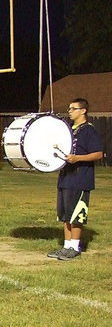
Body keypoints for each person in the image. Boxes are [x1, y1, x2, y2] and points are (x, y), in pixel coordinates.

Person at [47, 98, 104, 261]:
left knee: (76, 214)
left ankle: (75, 247)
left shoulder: (88, 130)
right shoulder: (70, 130)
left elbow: (98, 154)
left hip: (80, 178)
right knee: (65, 215)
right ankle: (66, 247)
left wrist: (77, 158)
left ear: (83, 110)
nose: (70, 111)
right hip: (66, 177)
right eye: (69, 108)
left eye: (73, 108)